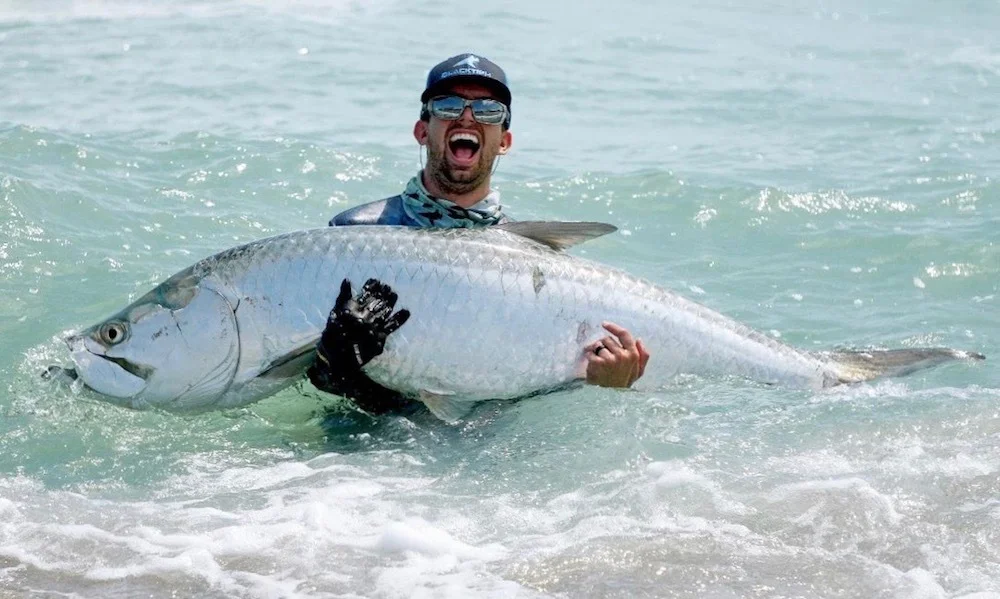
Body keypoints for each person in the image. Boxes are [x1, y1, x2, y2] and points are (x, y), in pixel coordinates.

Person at [308, 53, 650, 415]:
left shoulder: (531, 260)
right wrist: (336, 362)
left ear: (505, 141)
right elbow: (312, 380)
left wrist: (604, 384)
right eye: (448, 105)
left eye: (488, 110)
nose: (467, 116)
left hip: (484, 451)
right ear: (422, 131)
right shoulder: (355, 236)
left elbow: (531, 390)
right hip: (363, 452)